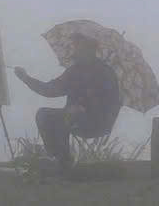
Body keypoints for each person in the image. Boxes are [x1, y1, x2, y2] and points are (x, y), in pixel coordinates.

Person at [14, 33, 121, 173]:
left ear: (89, 49)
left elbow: (113, 104)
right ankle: (57, 157)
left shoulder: (106, 73)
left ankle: (64, 163)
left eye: (78, 46)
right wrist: (26, 78)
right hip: (72, 117)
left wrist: (84, 108)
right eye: (75, 46)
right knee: (43, 114)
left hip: (98, 121)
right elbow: (51, 90)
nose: (74, 50)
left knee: (67, 117)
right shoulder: (74, 71)